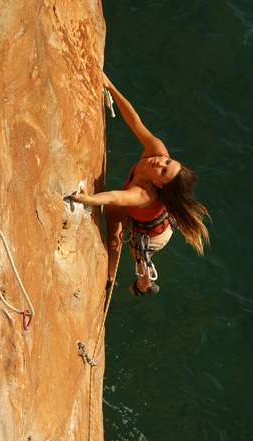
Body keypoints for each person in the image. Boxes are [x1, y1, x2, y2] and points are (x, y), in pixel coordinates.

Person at [71, 73, 210, 296]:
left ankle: (144, 286)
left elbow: (116, 197)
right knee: (113, 215)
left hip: (153, 233)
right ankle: (110, 275)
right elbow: (134, 120)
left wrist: (88, 199)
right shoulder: (157, 150)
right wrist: (111, 87)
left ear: (158, 183)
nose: (160, 161)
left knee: (139, 254)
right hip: (147, 212)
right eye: (168, 161)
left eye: (164, 170)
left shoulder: (144, 194)